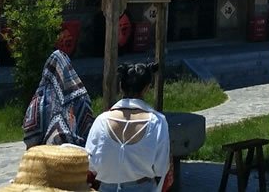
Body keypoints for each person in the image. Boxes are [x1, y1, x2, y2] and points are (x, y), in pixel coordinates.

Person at [85, 62, 169, 192]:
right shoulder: (157, 122)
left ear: (120, 86)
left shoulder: (101, 120)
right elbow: (161, 168)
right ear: (147, 88)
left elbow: (91, 164)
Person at [23, 50, 95, 148]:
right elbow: (88, 128)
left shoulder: (40, 97)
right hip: (75, 152)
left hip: (44, 153)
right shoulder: (81, 96)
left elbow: (30, 133)